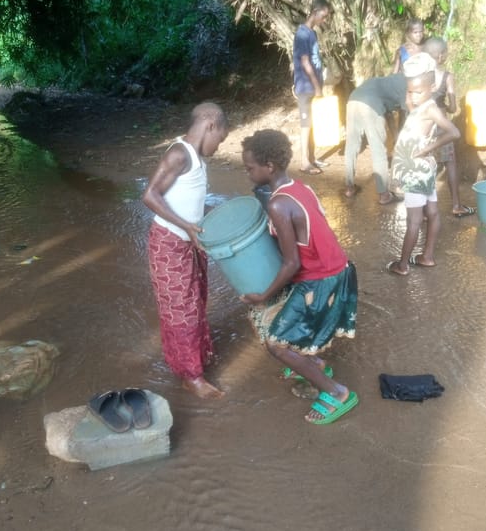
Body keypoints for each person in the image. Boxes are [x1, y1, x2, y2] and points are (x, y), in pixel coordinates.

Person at [240, 129, 359, 425]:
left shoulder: (278, 204)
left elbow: (292, 263)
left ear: (269, 166)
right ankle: (313, 363)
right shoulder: (299, 187)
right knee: (294, 324)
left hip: (321, 279)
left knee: (276, 343)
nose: (247, 172)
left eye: (250, 167)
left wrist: (264, 295)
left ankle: (336, 392)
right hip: (337, 267)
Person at [143, 102, 229, 399]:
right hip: (169, 243)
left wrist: (212, 214)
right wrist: (186, 225)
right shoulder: (179, 154)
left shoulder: (196, 158)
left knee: (195, 302)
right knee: (182, 311)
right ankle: (191, 377)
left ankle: (194, 361)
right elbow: (150, 195)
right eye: (221, 138)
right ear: (210, 125)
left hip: (188, 242)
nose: (219, 146)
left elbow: (188, 200)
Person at [387, 53, 460, 276]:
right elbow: (412, 105)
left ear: (433, 86)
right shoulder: (422, 106)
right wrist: (411, 96)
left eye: (418, 91)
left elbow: (454, 132)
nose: (414, 96)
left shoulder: (430, 109)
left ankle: (403, 265)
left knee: (414, 220)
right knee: (433, 212)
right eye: (410, 91)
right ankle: (426, 257)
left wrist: (428, 148)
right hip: (422, 170)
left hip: (415, 172)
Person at [423, 36, 476, 218]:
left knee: (425, 164)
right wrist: (449, 104)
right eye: (445, 53)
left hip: (424, 125)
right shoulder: (447, 77)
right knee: (450, 163)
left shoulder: (420, 76)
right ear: (440, 56)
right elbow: (453, 107)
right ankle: (456, 205)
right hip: (442, 125)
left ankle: (423, 210)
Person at [344, 73, 407, 203]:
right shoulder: (409, 87)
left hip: (353, 99)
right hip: (370, 104)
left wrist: (396, 137)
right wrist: (400, 138)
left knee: (351, 145)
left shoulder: (392, 81)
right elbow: (405, 116)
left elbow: (388, 114)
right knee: (377, 147)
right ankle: (384, 195)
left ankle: (349, 188)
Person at [292, 0, 332, 175]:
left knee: (313, 123)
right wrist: (317, 86)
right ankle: (304, 162)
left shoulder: (312, 33)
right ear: (315, 12)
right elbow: (305, 62)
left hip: (312, 86)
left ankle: (312, 158)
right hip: (305, 86)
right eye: (323, 16)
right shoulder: (302, 34)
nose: (325, 20)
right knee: (305, 124)